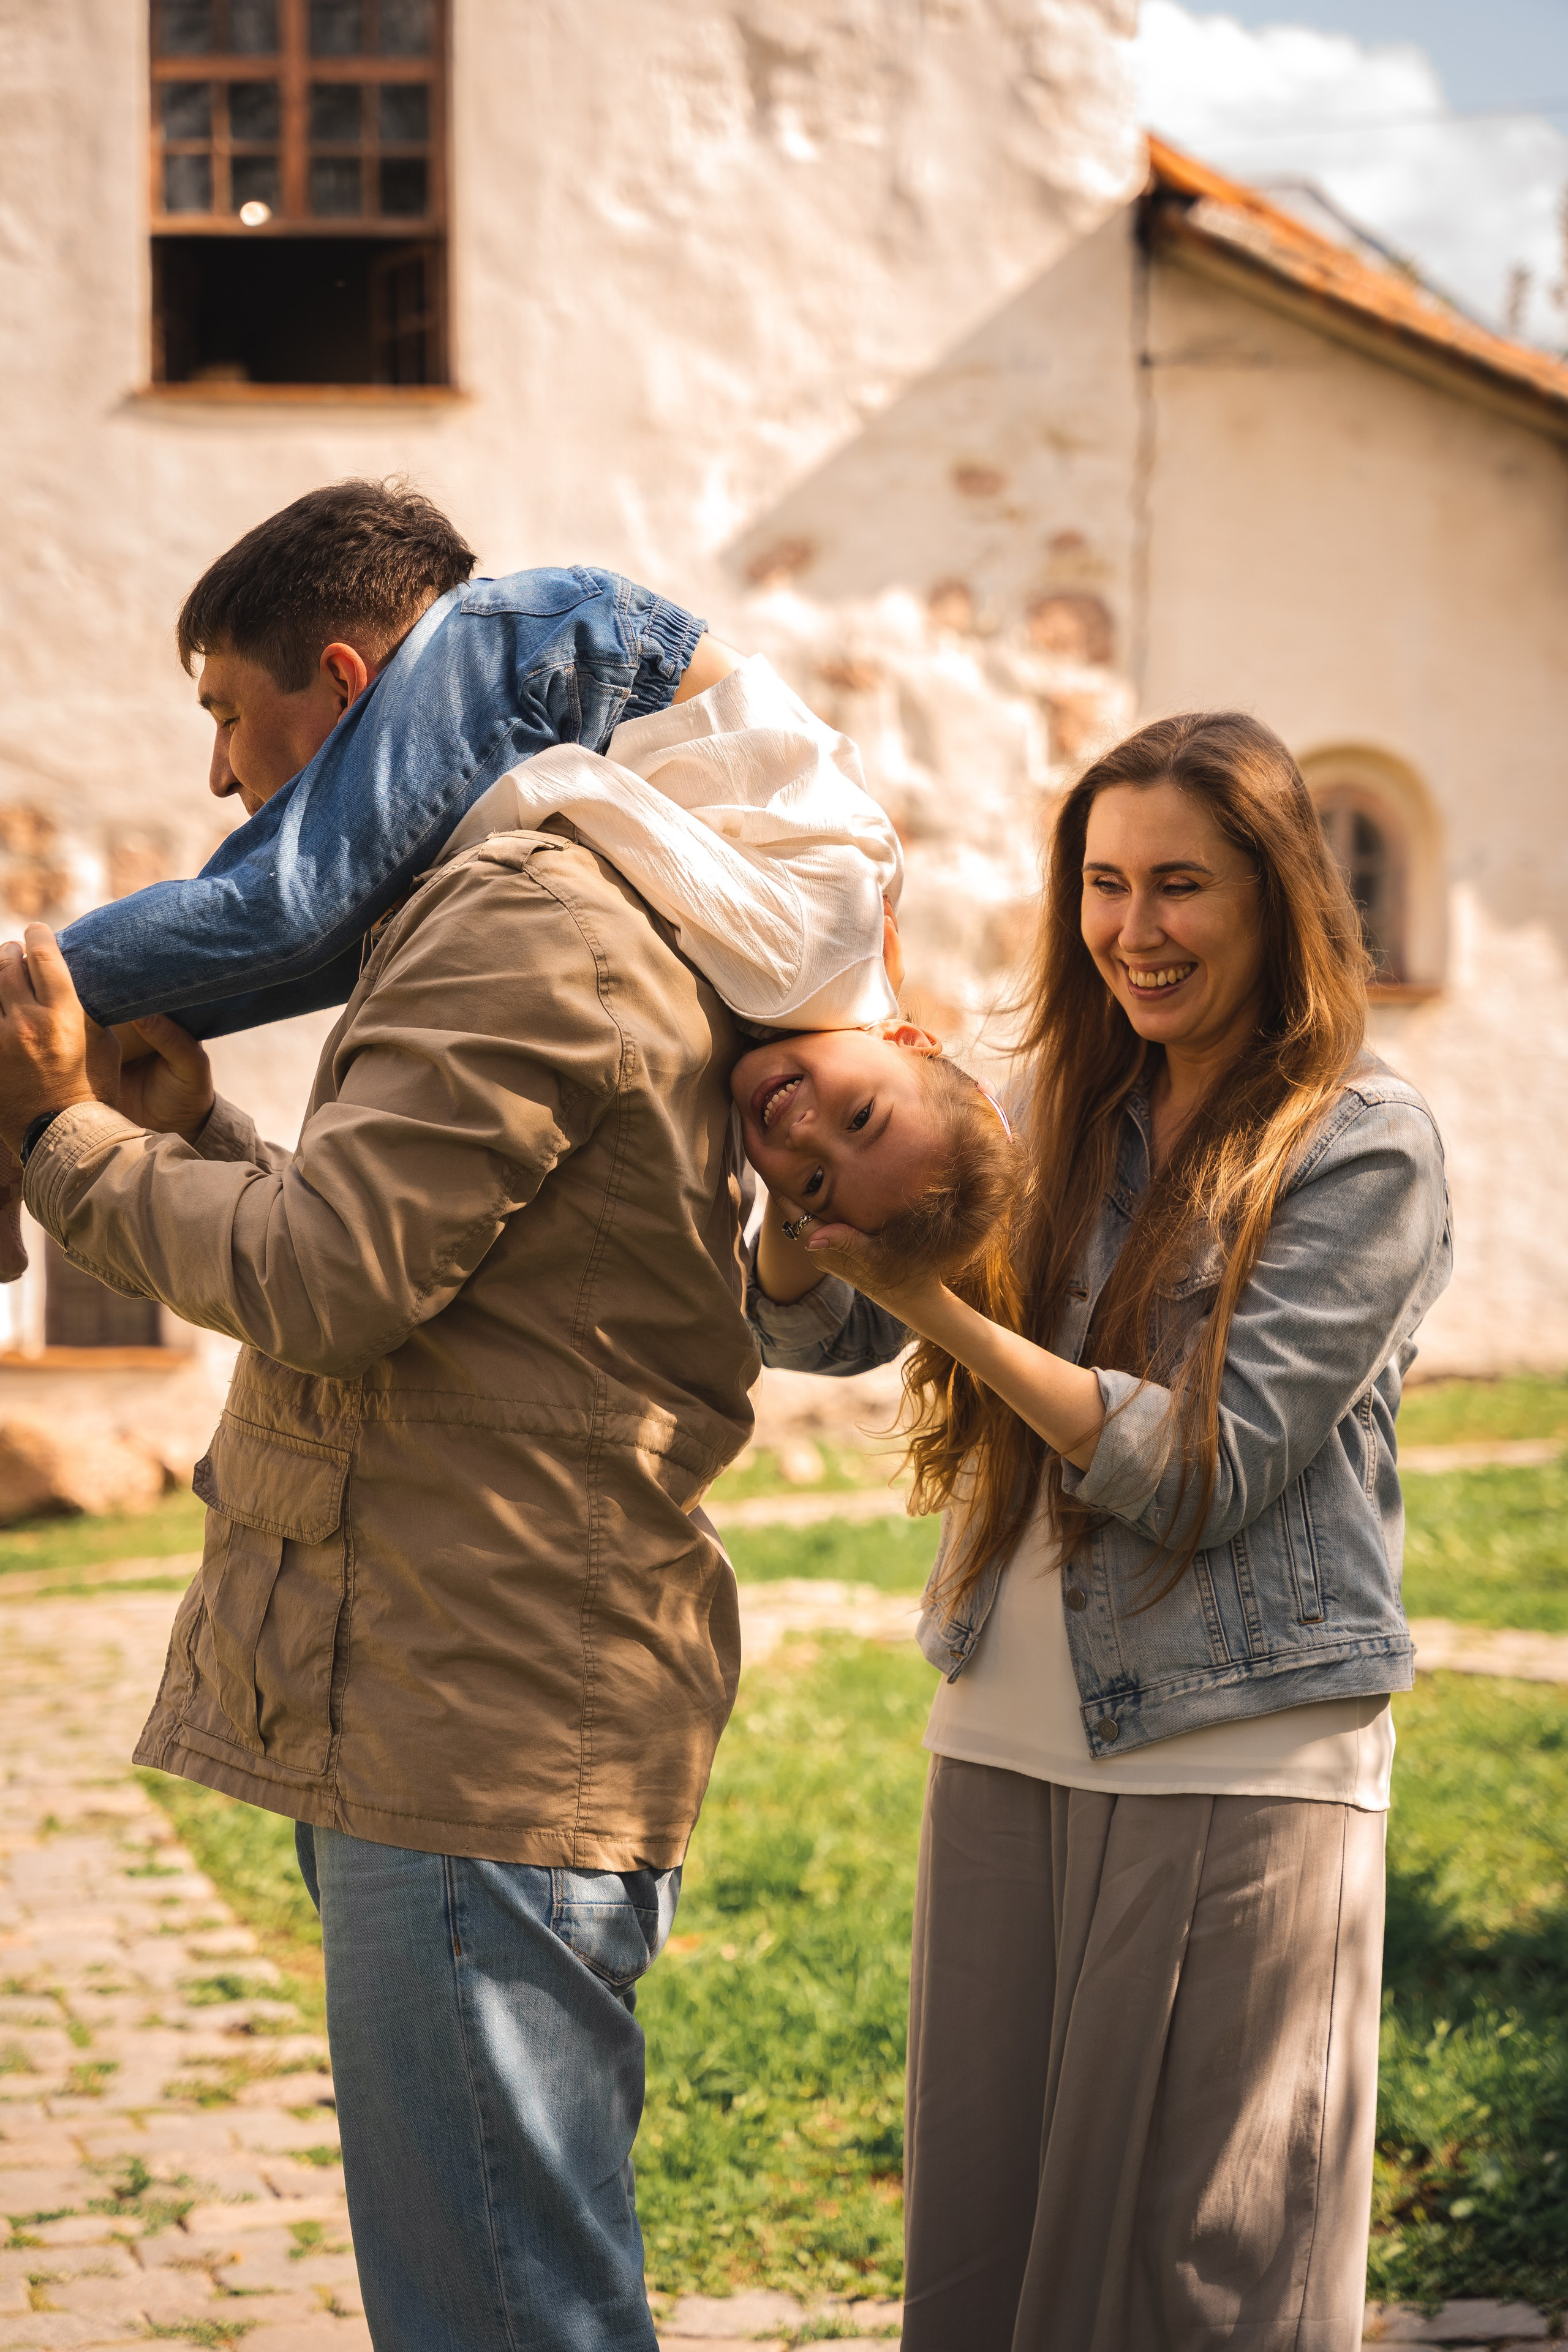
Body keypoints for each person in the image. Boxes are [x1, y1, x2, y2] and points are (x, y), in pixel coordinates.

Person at [744, 711, 1452, 2350]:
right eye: (1107, 884)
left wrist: (939, 1309)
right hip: (1001, 1733)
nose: (1137, 930)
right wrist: (802, 1185)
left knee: (1208, 2273)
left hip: (1240, 1749)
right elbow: (820, 1332)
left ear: (1278, 896)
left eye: (1182, 885)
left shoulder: (1364, 1143)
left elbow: (1210, 1466)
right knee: (985, 2272)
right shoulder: (1056, 1104)